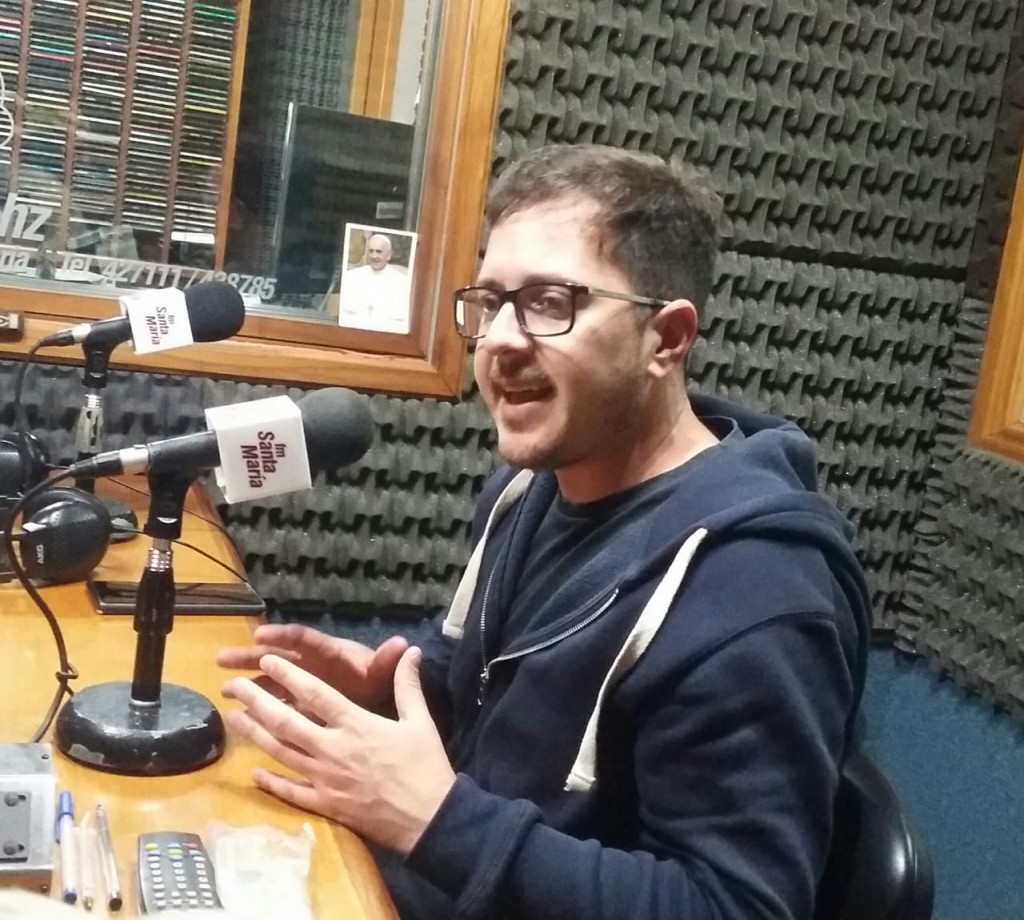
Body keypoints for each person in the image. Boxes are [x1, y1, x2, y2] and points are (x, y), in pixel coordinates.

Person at [218, 144, 870, 919]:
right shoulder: (527, 492)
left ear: (665, 338)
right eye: (491, 303)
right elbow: (491, 689)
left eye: (550, 303)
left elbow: (735, 907)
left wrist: (439, 822)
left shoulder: (757, 592)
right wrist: (397, 686)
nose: (499, 339)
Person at [338, 231, 411, 333]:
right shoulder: (351, 277)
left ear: (389, 255)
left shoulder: (402, 282)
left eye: (379, 252)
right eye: (371, 251)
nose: (374, 256)